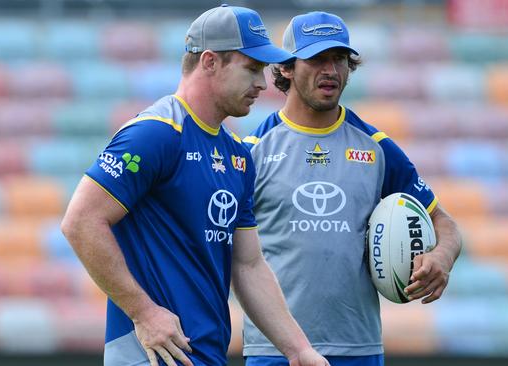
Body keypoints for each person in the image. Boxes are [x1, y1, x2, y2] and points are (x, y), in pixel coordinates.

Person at [61, 5, 330, 366]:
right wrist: (144, 312)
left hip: (205, 353)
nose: (262, 84)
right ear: (209, 62)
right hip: (152, 354)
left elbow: (248, 265)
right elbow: (80, 222)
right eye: (251, 68)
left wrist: (299, 350)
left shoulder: (237, 155)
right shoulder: (155, 134)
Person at [242, 11, 462, 366]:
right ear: (285, 68)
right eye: (316, 59)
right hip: (274, 351)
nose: (330, 70)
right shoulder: (252, 150)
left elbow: (444, 223)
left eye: (340, 59)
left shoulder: (377, 147)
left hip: (357, 349)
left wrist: (441, 257)